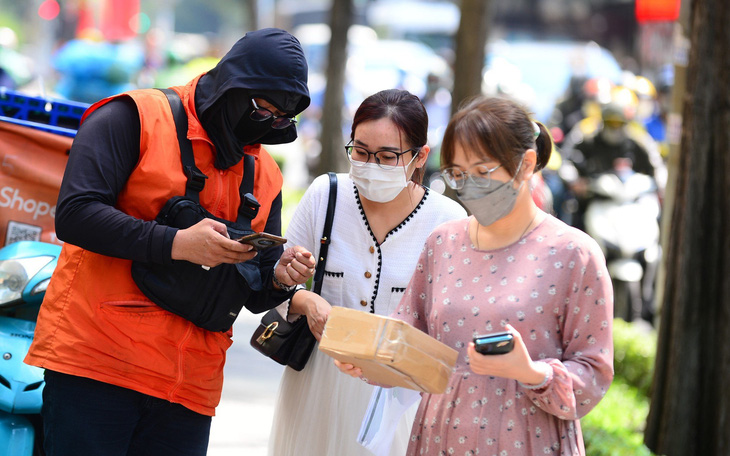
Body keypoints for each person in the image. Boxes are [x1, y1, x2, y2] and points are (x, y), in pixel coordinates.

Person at [24, 28, 316, 456]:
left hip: (189, 389)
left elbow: (254, 291)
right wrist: (177, 243)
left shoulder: (266, 172)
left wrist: (279, 274)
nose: (266, 125)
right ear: (230, 86)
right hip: (97, 366)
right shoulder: (133, 116)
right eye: (261, 108)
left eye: (279, 118)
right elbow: (75, 214)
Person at [339, 96, 614, 455]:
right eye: (457, 173)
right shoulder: (443, 243)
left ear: (526, 164)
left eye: (483, 172)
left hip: (529, 442)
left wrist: (531, 372)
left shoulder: (573, 253)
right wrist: (370, 360)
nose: (469, 185)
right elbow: (408, 341)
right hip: (441, 437)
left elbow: (594, 374)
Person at [267, 89, 467, 456]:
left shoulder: (448, 222)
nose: (370, 164)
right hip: (319, 385)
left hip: (401, 396)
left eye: (388, 156)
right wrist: (302, 295)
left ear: (420, 156)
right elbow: (273, 285)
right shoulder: (325, 196)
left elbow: (455, 328)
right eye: (360, 152)